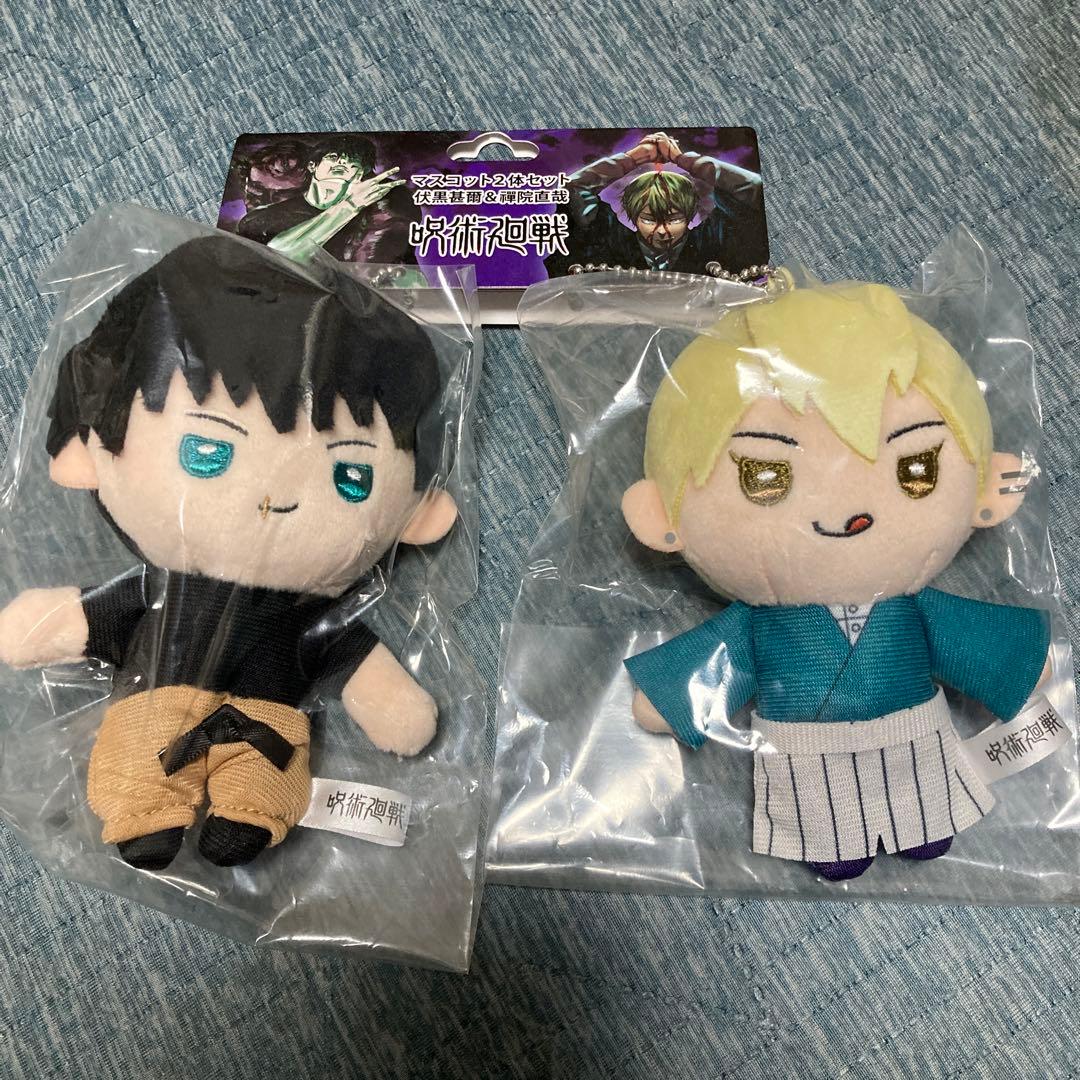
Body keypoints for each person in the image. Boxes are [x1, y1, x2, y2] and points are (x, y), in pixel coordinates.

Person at [0, 236, 457, 870]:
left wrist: (392, 703)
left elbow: (346, 651)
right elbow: (103, 613)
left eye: (350, 477)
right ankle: (146, 810)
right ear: (90, 453)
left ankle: (248, 815)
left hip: (265, 725)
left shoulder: (307, 617)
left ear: (415, 513)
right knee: (142, 758)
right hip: (158, 713)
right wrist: (50, 623)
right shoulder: (160, 595)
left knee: (260, 778)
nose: (276, 499)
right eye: (207, 453)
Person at [622, 283, 1051, 881]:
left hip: (910, 738)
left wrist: (1017, 665)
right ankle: (835, 838)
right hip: (805, 752)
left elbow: (966, 638)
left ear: (986, 488)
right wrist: (675, 699)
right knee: (829, 827)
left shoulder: (911, 610)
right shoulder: (762, 623)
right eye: (764, 477)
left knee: (923, 809)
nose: (850, 510)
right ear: (660, 517)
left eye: (916, 468)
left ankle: (920, 820)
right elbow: (720, 661)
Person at [545, 131, 767, 277]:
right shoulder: (611, 240)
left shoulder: (712, 239)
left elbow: (754, 189)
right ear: (634, 217)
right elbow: (571, 189)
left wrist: (687, 161)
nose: (662, 231)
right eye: (649, 220)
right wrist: (631, 159)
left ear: (689, 215)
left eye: (674, 219)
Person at [237, 135, 415, 263]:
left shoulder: (376, 214)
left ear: (359, 174)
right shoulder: (264, 218)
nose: (342, 163)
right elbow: (279, 255)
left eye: (353, 162)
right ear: (312, 165)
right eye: (333, 158)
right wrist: (350, 206)